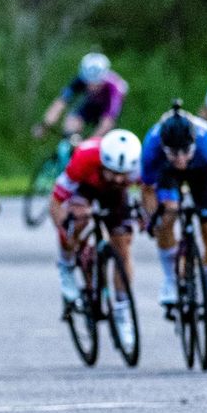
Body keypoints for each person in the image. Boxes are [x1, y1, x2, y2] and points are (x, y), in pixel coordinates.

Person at [140, 100, 207, 341]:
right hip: (167, 175)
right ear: (164, 147)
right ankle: (170, 279)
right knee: (168, 213)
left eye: (185, 151)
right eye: (174, 153)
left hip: (201, 174)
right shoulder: (152, 145)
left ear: (192, 144)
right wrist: (152, 218)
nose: (181, 158)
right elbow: (147, 189)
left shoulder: (206, 144)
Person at [49, 129, 143, 349]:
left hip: (117, 196)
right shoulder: (84, 157)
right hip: (87, 187)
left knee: (123, 246)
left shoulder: (138, 165)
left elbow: (151, 191)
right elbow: (55, 203)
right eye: (113, 172)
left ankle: (122, 310)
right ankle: (67, 265)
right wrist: (66, 233)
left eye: (124, 174)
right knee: (77, 220)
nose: (119, 178)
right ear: (103, 162)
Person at [33, 52, 128, 140]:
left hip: (107, 110)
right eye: (88, 82)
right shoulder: (80, 79)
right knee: (70, 124)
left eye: (96, 83)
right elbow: (60, 103)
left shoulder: (114, 88)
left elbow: (108, 122)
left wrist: (88, 144)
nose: (91, 86)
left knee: (105, 136)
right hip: (91, 105)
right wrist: (44, 125)